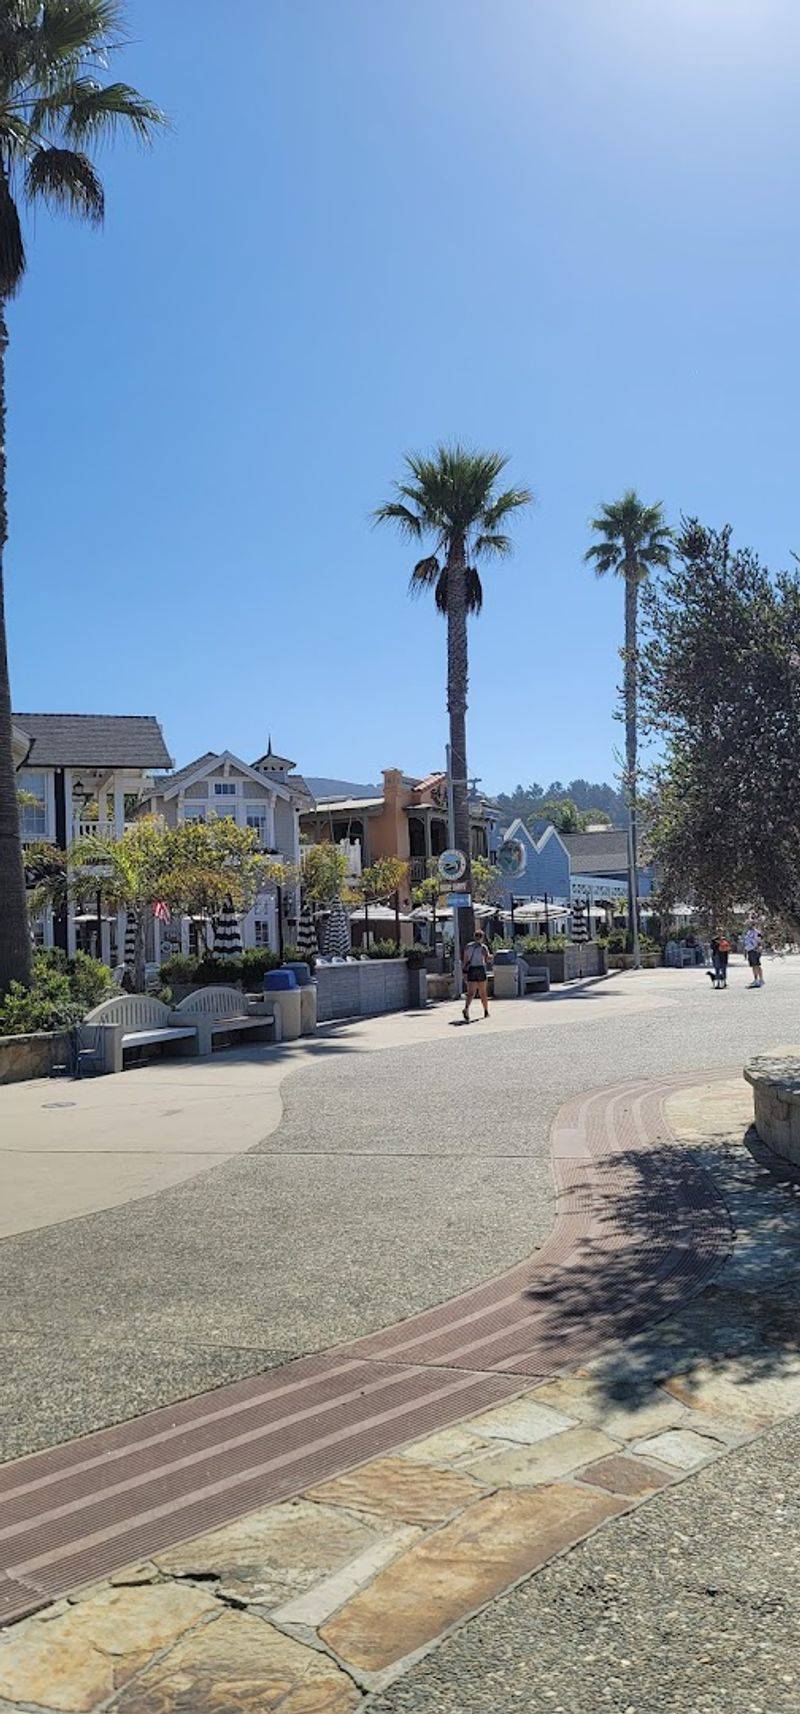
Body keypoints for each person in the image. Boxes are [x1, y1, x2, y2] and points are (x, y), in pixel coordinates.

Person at [462, 926, 493, 1021]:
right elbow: (487, 959)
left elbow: (465, 960)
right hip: (480, 969)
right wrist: (491, 957)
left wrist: (464, 973)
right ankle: (486, 1011)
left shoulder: (468, 946)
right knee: (483, 992)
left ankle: (466, 1008)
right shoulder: (483, 947)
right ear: (482, 937)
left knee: (470, 993)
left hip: (471, 969)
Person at [743, 920, 764, 988]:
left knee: (756, 965)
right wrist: (745, 951)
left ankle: (759, 979)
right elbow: (746, 942)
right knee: (753, 965)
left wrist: (758, 948)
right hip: (750, 950)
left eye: (750, 924)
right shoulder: (748, 933)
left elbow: (760, 941)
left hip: (755, 950)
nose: (749, 926)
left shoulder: (757, 932)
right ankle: (756, 979)